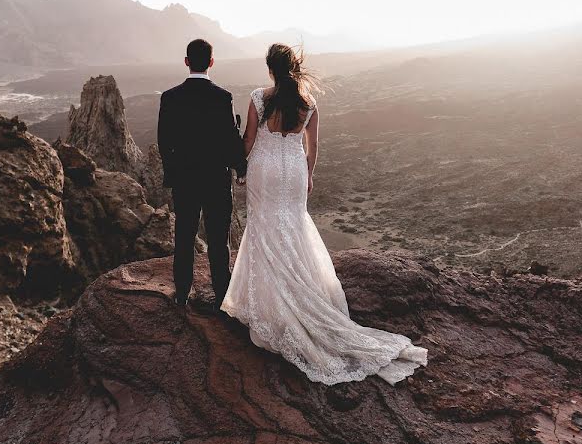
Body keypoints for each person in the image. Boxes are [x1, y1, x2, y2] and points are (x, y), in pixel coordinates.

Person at [220, 43, 427, 385]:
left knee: (263, 228)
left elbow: (248, 141)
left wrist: (238, 166)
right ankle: (303, 294)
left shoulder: (260, 97)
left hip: (264, 170)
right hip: (294, 172)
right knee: (294, 226)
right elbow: (312, 147)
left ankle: (271, 306)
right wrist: (309, 174)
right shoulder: (308, 103)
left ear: (270, 67)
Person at [157, 39, 247, 310]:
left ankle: (182, 295)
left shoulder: (170, 97)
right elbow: (231, 140)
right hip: (217, 180)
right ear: (211, 62)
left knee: (184, 238)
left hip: (185, 180)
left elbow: (164, 141)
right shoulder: (223, 97)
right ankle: (222, 297)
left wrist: (173, 173)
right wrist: (240, 168)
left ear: (186, 61)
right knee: (219, 242)